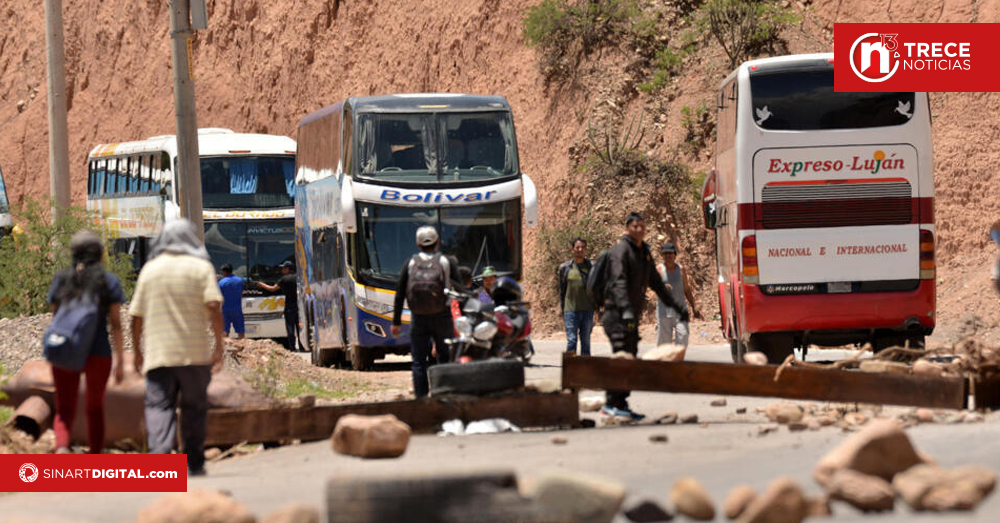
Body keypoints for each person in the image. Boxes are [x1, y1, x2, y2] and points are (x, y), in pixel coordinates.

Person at [130, 219, 224, 476]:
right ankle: (194, 463)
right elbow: (213, 306)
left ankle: (160, 460)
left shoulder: (149, 270)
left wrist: (137, 351)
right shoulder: (201, 268)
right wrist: (219, 345)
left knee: (159, 406)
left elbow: (136, 315)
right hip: (195, 355)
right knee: (194, 407)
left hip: (159, 355)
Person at [602, 212, 688, 420]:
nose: (639, 230)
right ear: (627, 228)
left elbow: (657, 284)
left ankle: (621, 403)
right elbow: (618, 282)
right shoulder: (621, 251)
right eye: (635, 226)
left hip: (630, 317)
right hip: (616, 315)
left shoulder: (644, 253)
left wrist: (676, 306)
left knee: (629, 357)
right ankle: (610, 404)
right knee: (622, 357)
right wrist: (625, 309)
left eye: (642, 226)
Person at [46, 231, 125, 454]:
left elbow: (55, 317)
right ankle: (95, 456)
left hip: (65, 347)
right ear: (99, 254)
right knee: (95, 407)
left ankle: (62, 447)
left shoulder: (62, 279)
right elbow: (116, 324)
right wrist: (120, 359)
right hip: (98, 353)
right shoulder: (108, 281)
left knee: (64, 406)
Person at [390, 226, 464, 398]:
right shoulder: (446, 262)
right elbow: (461, 289)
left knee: (418, 361)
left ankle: (421, 400)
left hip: (419, 318)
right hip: (443, 316)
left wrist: (396, 322)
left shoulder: (410, 263)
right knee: (444, 358)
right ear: (437, 242)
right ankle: (443, 395)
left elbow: (399, 293)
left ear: (418, 244)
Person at [655, 242, 700, 348]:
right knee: (664, 345)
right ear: (662, 255)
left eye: (670, 253)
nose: (668, 256)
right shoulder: (658, 269)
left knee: (683, 336)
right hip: (664, 312)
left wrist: (693, 306)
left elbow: (686, 289)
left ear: (675, 254)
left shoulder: (681, 269)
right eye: (665, 253)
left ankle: (677, 357)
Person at [557, 237, 594, 355]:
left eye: (583, 247)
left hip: (587, 311)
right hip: (571, 311)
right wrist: (563, 309)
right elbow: (562, 290)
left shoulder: (591, 267)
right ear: (572, 249)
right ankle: (571, 366)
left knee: (586, 342)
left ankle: (585, 366)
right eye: (577, 247)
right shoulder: (565, 268)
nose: (580, 250)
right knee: (572, 341)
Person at [256, 260, 299, 351]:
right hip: (299, 305)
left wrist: (261, 284)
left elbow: (272, 289)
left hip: (289, 306)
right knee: (300, 326)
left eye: (283, 268)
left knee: (290, 327)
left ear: (288, 269)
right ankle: (302, 346)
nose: (282, 270)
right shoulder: (298, 277)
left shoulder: (284, 279)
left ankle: (292, 347)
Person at [218, 264, 245, 339]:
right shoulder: (240, 281)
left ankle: (225, 344)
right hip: (237, 309)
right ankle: (242, 344)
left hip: (225, 310)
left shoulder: (221, 282)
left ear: (224, 272)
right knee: (240, 331)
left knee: (225, 331)